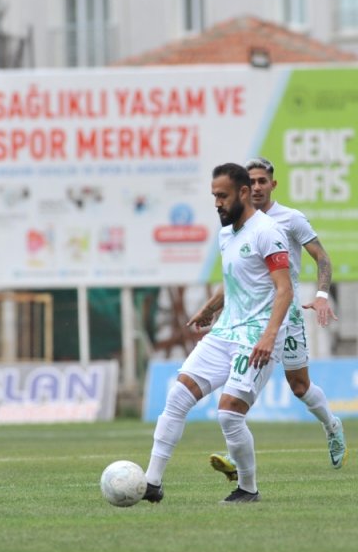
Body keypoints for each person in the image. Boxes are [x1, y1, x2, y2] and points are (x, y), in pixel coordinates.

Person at [141, 162, 293, 504]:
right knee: (177, 397)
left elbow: (284, 289)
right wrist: (211, 308)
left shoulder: (267, 231)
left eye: (222, 196)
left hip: (256, 335)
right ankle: (152, 483)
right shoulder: (227, 234)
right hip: (225, 331)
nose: (217, 203)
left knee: (228, 414)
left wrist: (269, 336)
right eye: (213, 196)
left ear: (242, 193)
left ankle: (248, 489)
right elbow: (236, 281)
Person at [190, 156, 346, 481]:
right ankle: (237, 461)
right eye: (253, 181)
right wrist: (211, 307)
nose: (258, 187)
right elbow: (238, 278)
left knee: (299, 385)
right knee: (234, 394)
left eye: (264, 181)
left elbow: (322, 257)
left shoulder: (290, 220)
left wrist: (321, 295)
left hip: (284, 316)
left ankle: (331, 425)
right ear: (243, 188)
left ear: (272, 184)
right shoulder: (235, 226)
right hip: (245, 323)